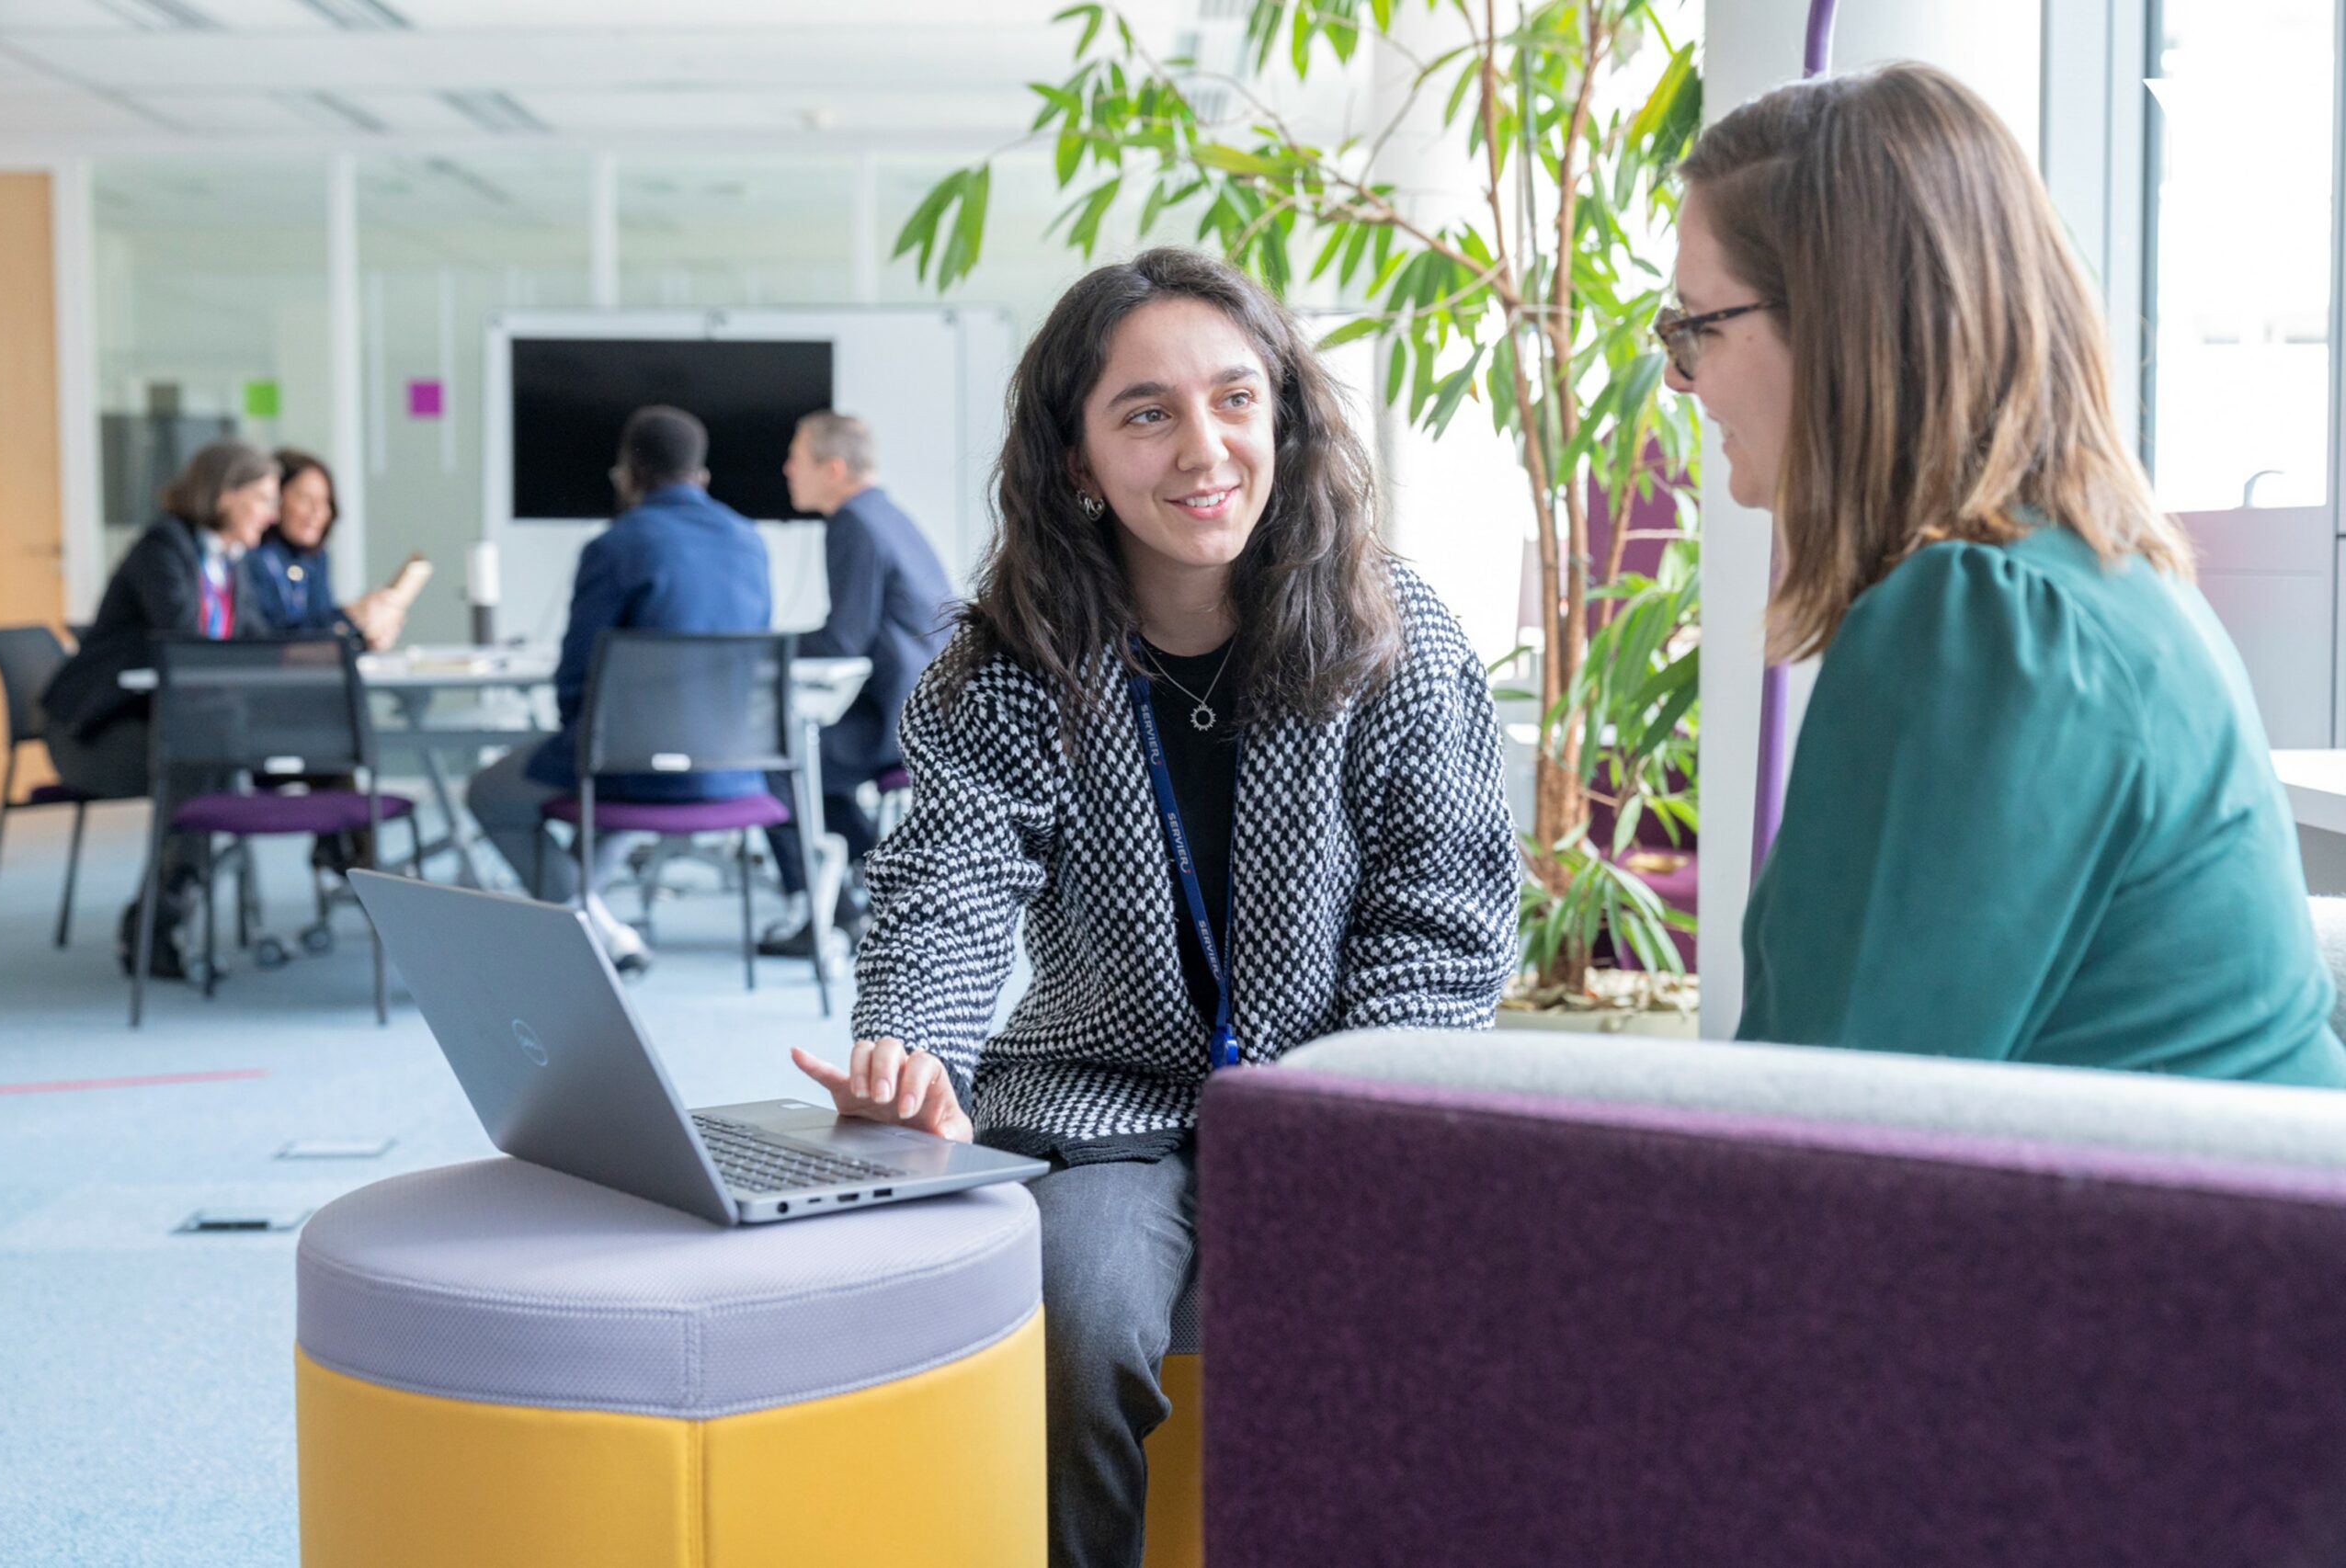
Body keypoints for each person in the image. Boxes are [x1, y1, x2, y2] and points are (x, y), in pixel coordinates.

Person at [788, 247, 1520, 1565]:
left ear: (1286, 420)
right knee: (1073, 1326)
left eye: (1238, 400)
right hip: (1104, 1105)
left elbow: (1443, 917)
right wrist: (913, 1045)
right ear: (1075, 457)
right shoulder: (1013, 658)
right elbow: (948, 879)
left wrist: (1345, 1126)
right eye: (1147, 412)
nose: (1206, 447)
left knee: (1378, 1342)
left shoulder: (1393, 628)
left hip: (1341, 1105)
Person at [1667, 64, 2346, 1085]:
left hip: (2160, 1236)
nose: (1680, 376)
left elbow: (1829, 1127)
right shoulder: (2099, 582)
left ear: (1846, 326)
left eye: (1696, 325)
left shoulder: (1982, 624)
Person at [463, 405, 772, 975]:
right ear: (699, 475)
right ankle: (594, 914)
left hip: (629, 763)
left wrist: (577, 737)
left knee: (488, 792)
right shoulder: (749, 541)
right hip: (730, 762)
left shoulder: (615, 544)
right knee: (611, 797)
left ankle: (588, 923)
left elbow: (577, 672)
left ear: (629, 472)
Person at [40, 438, 279, 978]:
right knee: (199, 761)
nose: (272, 514)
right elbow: (184, 640)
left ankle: (161, 918)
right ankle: (161, 920)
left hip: (171, 728)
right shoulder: (162, 549)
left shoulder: (229, 563)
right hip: (93, 735)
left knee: (207, 754)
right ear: (225, 493)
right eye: (262, 498)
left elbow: (259, 641)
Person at [758, 411, 951, 953]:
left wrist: (759, 647)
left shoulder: (853, 523)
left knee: (775, 765)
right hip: (924, 712)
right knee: (819, 769)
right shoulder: (886, 514)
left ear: (834, 467)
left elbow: (843, 639)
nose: (787, 468)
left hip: (896, 721)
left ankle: (821, 920)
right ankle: (871, 896)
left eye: (797, 457)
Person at [246, 449, 404, 650]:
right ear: (276, 498)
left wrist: (363, 636)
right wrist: (350, 615)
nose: (317, 512)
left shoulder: (315, 559)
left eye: (324, 501)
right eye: (305, 499)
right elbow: (272, 640)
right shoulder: (251, 558)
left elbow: (319, 632)